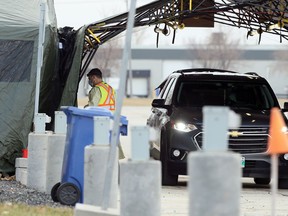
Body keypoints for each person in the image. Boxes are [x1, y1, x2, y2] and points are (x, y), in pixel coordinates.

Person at [85, 68, 125, 159]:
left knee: (100, 146)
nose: (90, 81)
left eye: (90, 79)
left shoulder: (96, 89)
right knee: (113, 146)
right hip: (112, 119)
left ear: (94, 77)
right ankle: (115, 168)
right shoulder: (110, 88)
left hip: (100, 121)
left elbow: (92, 107)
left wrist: (85, 108)